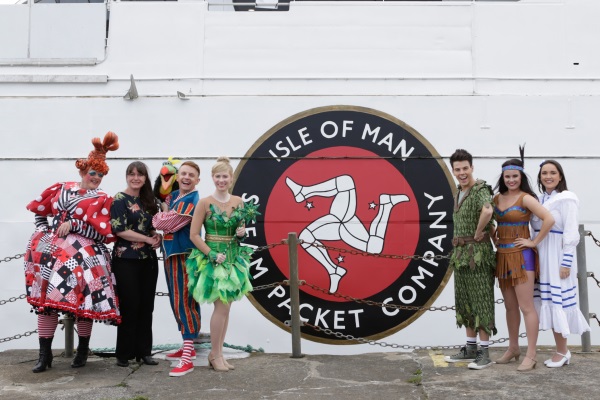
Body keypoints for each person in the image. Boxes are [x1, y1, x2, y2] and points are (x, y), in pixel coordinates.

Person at [23, 132, 121, 373]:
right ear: (82, 172)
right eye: (93, 173)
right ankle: (44, 354)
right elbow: (40, 210)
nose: (96, 178)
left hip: (85, 254)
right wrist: (43, 231)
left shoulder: (102, 199)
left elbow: (105, 235)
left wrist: (76, 226)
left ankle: (83, 349)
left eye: (100, 174)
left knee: (81, 300)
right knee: (46, 301)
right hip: (53, 250)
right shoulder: (61, 188)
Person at [187, 157, 258, 373]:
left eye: (224, 176)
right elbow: (193, 235)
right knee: (221, 308)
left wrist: (241, 233)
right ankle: (216, 354)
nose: (221, 180)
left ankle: (216, 353)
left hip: (233, 258)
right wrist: (210, 254)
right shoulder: (204, 203)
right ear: (212, 178)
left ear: (231, 177)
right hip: (212, 260)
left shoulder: (239, 202)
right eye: (217, 176)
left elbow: (241, 230)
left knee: (226, 309)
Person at [493, 154, 554, 372]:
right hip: (502, 256)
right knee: (510, 307)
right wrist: (493, 237)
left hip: (522, 257)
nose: (511, 180)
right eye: (507, 176)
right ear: (503, 176)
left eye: (514, 176)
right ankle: (513, 348)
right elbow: (490, 219)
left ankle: (531, 354)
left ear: (521, 176)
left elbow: (549, 219)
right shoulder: (497, 198)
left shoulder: (526, 198)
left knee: (526, 307)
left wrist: (533, 242)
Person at [532, 160, 591, 368]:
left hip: (557, 256)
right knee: (547, 301)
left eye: (552, 173)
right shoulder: (539, 199)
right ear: (540, 177)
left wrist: (566, 263)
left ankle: (563, 351)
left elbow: (571, 233)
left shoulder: (567, 198)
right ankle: (560, 350)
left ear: (560, 176)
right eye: (544, 173)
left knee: (559, 304)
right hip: (542, 255)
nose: (548, 176)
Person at [443, 149, 497, 370]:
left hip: (478, 255)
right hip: (461, 256)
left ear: (472, 167)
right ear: (453, 171)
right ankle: (471, 347)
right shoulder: (458, 192)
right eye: (458, 169)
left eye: (465, 168)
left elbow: (487, 209)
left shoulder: (480, 189)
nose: (462, 173)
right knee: (464, 300)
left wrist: (478, 231)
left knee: (481, 300)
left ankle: (484, 353)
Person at [152, 161, 203, 377]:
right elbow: (166, 217)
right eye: (183, 173)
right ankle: (188, 346)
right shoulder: (175, 198)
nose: (186, 177)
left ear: (197, 180)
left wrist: (159, 217)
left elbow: (167, 224)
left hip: (185, 255)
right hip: (172, 254)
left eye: (191, 175)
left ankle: (188, 354)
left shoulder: (192, 199)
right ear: (177, 176)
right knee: (178, 300)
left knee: (184, 301)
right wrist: (163, 214)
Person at [110, 161, 161, 367]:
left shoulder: (149, 201)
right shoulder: (120, 199)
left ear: (145, 178)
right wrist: (148, 239)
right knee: (130, 306)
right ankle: (124, 353)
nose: (136, 178)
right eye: (131, 174)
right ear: (126, 176)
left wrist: (155, 235)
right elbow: (119, 230)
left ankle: (144, 352)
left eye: (140, 174)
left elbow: (151, 226)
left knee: (147, 306)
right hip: (126, 260)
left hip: (148, 260)